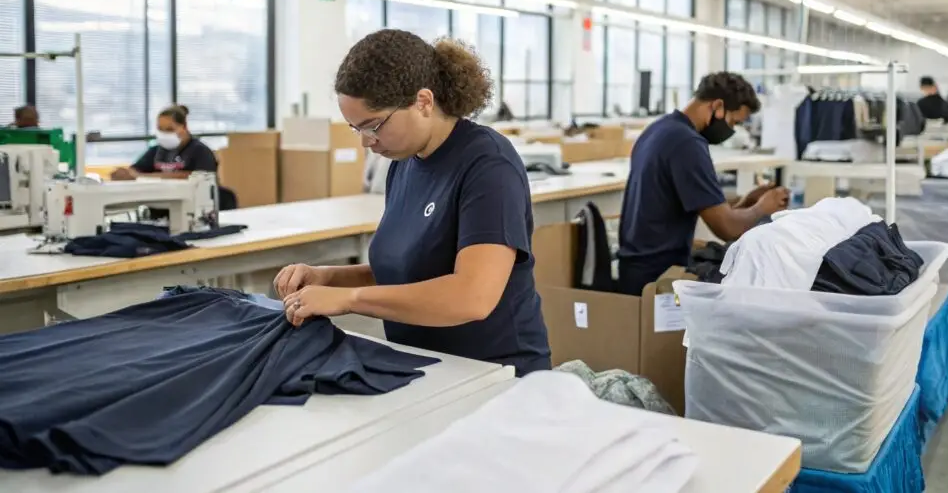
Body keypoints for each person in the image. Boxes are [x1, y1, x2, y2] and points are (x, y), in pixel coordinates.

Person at [274, 29, 551, 376]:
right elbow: (409, 272)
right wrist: (328, 278)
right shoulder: (404, 164)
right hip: (426, 369)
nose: (365, 141)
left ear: (423, 101)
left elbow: (472, 297)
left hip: (497, 375)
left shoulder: (488, 164)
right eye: (355, 128)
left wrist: (349, 300)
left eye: (373, 125)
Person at [616, 72, 790, 296]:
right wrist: (762, 208)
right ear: (717, 106)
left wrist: (749, 202)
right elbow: (727, 228)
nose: (731, 131)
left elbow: (711, 210)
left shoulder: (658, 129)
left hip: (635, 271)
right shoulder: (687, 143)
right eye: (733, 122)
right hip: (658, 278)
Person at [110, 105, 218, 181]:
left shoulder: (200, 151)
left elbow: (193, 177)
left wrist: (141, 177)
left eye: (170, 129)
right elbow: (134, 170)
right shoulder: (156, 151)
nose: (165, 134)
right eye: (160, 129)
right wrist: (125, 174)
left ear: (184, 127)